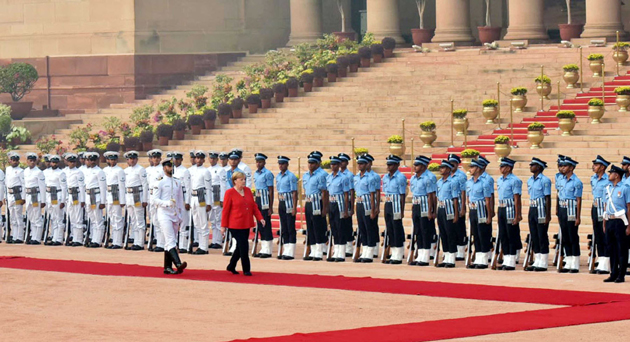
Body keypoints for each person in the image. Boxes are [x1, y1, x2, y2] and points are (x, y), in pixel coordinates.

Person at [222, 171, 264, 276]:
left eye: (244, 179)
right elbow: (225, 210)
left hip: (246, 223)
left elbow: (254, 206)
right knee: (244, 246)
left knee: (240, 246)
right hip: (234, 224)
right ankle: (246, 269)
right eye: (241, 179)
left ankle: (231, 265)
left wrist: (260, 218)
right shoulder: (229, 193)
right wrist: (223, 226)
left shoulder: (248, 191)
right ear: (235, 181)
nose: (243, 181)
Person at [152, 157, 187, 275]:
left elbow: (180, 199)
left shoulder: (177, 182)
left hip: (175, 213)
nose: (170, 168)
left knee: (169, 241)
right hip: (164, 213)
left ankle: (167, 267)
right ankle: (178, 263)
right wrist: (166, 203)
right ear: (164, 167)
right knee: (171, 239)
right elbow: (154, 200)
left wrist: (181, 214)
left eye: (172, 166)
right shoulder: (160, 182)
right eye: (168, 166)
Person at [603, 165, 630, 283]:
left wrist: (629, 225)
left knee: (621, 248)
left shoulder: (625, 188)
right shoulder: (607, 188)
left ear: (617, 175)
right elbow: (605, 207)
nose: (609, 175)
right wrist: (604, 223)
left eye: (611, 173)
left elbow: (629, 207)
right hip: (610, 220)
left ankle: (621, 274)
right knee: (611, 248)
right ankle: (613, 273)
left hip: (620, 221)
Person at [409, 155, 437, 266]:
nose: (415, 167)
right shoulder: (413, 178)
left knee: (425, 230)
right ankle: (419, 254)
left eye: (417, 165)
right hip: (416, 205)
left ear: (424, 166)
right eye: (415, 164)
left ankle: (425, 255)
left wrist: (431, 211)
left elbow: (431, 196)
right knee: (418, 230)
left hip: (425, 205)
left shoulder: (429, 177)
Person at [526, 158, 552, 272]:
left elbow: (547, 198)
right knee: (534, 234)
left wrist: (548, 214)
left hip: (541, 208)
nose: (531, 166)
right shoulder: (530, 180)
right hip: (532, 207)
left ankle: (544, 260)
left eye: (533, 165)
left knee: (542, 234)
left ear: (539, 167)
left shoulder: (545, 180)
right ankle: (537, 259)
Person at [496, 158, 523, 271]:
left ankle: (511, 260)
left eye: (503, 166)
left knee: (511, 234)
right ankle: (506, 258)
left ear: (509, 168)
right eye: (501, 166)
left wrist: (517, 215)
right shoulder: (500, 180)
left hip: (510, 208)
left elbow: (517, 199)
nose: (501, 168)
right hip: (501, 207)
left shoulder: (515, 180)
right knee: (503, 234)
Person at [557, 156, 583, 273]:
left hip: (572, 209)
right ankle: (568, 260)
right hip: (563, 208)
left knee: (573, 236)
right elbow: (558, 195)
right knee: (565, 236)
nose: (562, 168)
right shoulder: (561, 180)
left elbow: (578, 199)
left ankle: (575, 262)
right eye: (562, 166)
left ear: (571, 168)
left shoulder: (576, 181)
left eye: (565, 166)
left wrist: (578, 216)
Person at [466, 159, 492, 269]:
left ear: (478, 168)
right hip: (473, 209)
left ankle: (484, 259)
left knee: (483, 234)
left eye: (472, 167)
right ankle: (478, 257)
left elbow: (487, 200)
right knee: (475, 234)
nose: (470, 169)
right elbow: (468, 197)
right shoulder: (469, 182)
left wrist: (489, 215)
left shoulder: (484, 182)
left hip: (481, 209)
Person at [381, 155, 407, 264]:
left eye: (391, 164)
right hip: (388, 202)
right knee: (390, 227)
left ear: (397, 165)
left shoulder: (401, 177)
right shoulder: (385, 177)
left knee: (396, 227)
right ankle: (393, 251)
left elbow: (402, 195)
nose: (389, 167)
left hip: (396, 203)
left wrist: (401, 210)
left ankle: (398, 252)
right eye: (388, 164)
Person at [303, 153, 328, 261]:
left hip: (318, 202)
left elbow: (325, 192)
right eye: (309, 162)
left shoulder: (322, 174)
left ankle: (319, 250)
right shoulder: (306, 175)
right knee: (310, 227)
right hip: (309, 201)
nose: (310, 165)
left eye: (313, 163)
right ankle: (313, 250)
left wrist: (325, 208)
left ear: (318, 163)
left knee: (318, 227)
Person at [354, 154, 379, 263]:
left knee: (370, 228)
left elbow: (373, 195)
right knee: (362, 228)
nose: (360, 165)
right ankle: (364, 250)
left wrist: (374, 210)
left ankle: (369, 252)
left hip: (368, 203)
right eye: (358, 163)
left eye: (362, 163)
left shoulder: (371, 177)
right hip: (359, 203)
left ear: (367, 164)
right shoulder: (356, 177)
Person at [326, 156, 350, 262]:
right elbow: (327, 193)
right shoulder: (329, 177)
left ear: (339, 165)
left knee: (340, 228)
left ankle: (341, 253)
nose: (333, 166)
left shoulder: (343, 177)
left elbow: (346, 194)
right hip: (332, 203)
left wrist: (346, 210)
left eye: (335, 164)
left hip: (340, 204)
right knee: (334, 227)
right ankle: (336, 250)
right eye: (331, 164)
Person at [124, 151, 149, 250]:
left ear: (136, 159)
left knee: (139, 220)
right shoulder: (126, 170)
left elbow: (145, 185)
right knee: (133, 220)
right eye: (130, 159)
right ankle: (135, 240)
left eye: (134, 158)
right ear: (127, 160)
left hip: (137, 194)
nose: (132, 160)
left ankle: (140, 243)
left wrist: (144, 199)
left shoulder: (141, 169)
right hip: (129, 196)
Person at [436, 160, 459, 268]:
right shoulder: (439, 182)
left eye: (443, 168)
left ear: (449, 169)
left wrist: (456, 214)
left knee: (450, 233)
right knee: (443, 233)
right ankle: (446, 256)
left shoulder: (452, 182)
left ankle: (451, 258)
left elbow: (455, 199)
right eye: (441, 167)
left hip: (449, 208)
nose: (441, 169)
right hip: (440, 207)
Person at [590, 155, 611, 274]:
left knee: (605, 236)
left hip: (605, 208)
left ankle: (606, 264)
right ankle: (601, 260)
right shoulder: (593, 179)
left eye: (596, 165)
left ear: (603, 167)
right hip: (595, 207)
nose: (594, 167)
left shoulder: (608, 179)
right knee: (598, 235)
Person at [189, 151, 212, 254]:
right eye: (197, 158)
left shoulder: (205, 171)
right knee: (196, 223)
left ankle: (204, 247)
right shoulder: (190, 170)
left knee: (203, 223)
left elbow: (208, 188)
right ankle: (199, 244)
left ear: (203, 160)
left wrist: (209, 203)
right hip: (193, 197)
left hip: (202, 196)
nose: (198, 160)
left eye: (200, 158)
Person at [253, 153, 275, 258]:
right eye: (257, 161)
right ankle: (263, 247)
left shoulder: (268, 174)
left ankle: (268, 249)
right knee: (259, 223)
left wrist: (270, 207)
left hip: (265, 200)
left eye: (260, 161)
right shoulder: (256, 174)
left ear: (264, 162)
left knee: (265, 223)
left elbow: (271, 190)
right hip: (258, 199)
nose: (258, 163)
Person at [103, 151, 127, 249]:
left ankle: (117, 242)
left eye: (114, 159)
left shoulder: (119, 170)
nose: (112, 161)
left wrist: (122, 200)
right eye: (110, 159)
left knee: (117, 218)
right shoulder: (104, 170)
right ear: (107, 160)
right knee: (111, 218)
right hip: (108, 195)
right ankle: (113, 239)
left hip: (116, 194)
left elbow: (122, 186)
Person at [276, 156, 298, 260]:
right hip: (282, 202)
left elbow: (294, 193)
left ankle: (291, 250)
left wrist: (294, 207)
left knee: (290, 227)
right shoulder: (278, 176)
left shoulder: (291, 176)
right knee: (283, 226)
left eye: (283, 164)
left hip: (289, 203)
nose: (281, 166)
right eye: (279, 164)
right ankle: (285, 248)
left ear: (287, 164)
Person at [83, 152, 107, 247]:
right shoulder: (86, 171)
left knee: (98, 219)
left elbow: (103, 187)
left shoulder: (99, 171)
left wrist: (102, 201)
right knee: (92, 219)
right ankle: (93, 238)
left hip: (95, 196)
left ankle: (97, 240)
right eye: (89, 160)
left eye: (93, 160)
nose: (91, 162)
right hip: (88, 196)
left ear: (96, 161)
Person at [43, 155, 67, 246]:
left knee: (58, 218)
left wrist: (63, 201)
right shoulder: (46, 172)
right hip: (49, 195)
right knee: (53, 218)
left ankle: (59, 239)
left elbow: (64, 187)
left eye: (56, 162)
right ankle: (54, 237)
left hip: (57, 195)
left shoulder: (61, 173)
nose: (54, 164)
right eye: (53, 162)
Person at [448, 154, 468, 261]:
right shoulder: (447, 174)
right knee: (450, 228)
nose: (452, 165)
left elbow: (464, 192)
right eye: (450, 163)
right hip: (448, 206)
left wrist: (463, 207)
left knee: (460, 228)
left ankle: (461, 250)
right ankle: (453, 249)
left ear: (457, 164)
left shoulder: (461, 175)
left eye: (454, 163)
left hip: (459, 204)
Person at [171, 152, 192, 253]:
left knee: (183, 223)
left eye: (178, 159)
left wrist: (187, 201)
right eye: (175, 159)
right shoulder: (170, 170)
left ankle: (183, 246)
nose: (176, 160)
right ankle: (173, 244)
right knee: (173, 222)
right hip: (174, 198)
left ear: (181, 160)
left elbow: (188, 188)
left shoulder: (185, 171)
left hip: (182, 198)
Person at [24, 152, 46, 244]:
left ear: (36, 161)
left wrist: (43, 200)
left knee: (37, 217)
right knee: (31, 217)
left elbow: (42, 187)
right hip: (28, 196)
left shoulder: (39, 172)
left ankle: (37, 238)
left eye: (33, 160)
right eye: (30, 160)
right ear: (27, 161)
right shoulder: (25, 171)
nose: (32, 162)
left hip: (36, 196)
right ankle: (33, 236)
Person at [65, 153, 86, 247]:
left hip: (76, 195)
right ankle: (73, 237)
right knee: (72, 218)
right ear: (67, 162)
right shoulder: (64, 171)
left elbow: (81, 187)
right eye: (70, 162)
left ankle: (78, 239)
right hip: (69, 196)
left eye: (73, 162)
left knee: (78, 218)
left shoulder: (79, 172)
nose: (72, 163)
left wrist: (82, 200)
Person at [147, 149, 165, 251]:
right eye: (154, 157)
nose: (156, 159)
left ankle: (161, 243)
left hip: (158, 196)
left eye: (158, 157)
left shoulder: (162, 170)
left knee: (159, 220)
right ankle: (156, 241)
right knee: (153, 220)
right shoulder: (147, 170)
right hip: (150, 197)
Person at [5, 152, 25, 244]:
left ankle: (19, 237)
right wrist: (5, 196)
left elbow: (24, 185)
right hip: (9, 194)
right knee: (12, 216)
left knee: (18, 216)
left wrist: (23, 197)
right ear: (10, 161)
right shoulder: (8, 169)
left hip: (17, 194)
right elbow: (6, 184)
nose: (15, 162)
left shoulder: (21, 171)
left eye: (16, 160)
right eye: (13, 160)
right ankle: (14, 235)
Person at [338, 152, 355, 256]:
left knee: (347, 224)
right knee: (339, 224)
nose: (341, 163)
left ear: (347, 163)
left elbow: (352, 191)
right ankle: (341, 245)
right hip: (339, 202)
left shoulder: (349, 175)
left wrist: (352, 207)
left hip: (347, 201)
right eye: (340, 161)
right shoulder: (337, 174)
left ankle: (349, 246)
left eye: (343, 161)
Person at [207, 151, 224, 249]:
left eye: (214, 158)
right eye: (211, 158)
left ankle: (218, 241)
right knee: (212, 218)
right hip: (210, 194)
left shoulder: (221, 170)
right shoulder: (207, 170)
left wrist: (222, 198)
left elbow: (223, 185)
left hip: (217, 193)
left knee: (218, 218)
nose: (212, 160)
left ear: (217, 159)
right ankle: (214, 240)